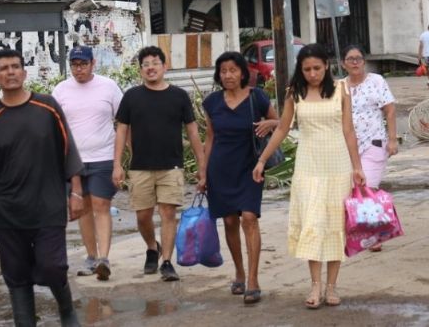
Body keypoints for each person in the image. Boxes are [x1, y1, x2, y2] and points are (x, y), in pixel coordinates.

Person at [0, 48, 85, 327]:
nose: (11, 72)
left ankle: (66, 310)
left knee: (52, 265)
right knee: (16, 272)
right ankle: (24, 320)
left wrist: (77, 192)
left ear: (24, 72)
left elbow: (68, 150)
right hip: (7, 209)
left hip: (48, 205)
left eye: (15, 66)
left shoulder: (47, 108)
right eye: (4, 68)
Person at [253, 44, 365, 309]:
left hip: (337, 165)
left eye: (317, 68)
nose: (312, 74)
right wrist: (262, 159)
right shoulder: (295, 93)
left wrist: (357, 167)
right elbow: (282, 128)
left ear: (326, 66)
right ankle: (315, 285)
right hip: (308, 166)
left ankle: (332, 286)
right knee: (313, 222)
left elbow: (349, 131)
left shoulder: (341, 90)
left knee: (335, 224)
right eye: (307, 69)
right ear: (300, 71)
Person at [112, 46, 206, 282]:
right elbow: (121, 130)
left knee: (168, 213)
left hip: (171, 166)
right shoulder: (132, 96)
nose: (151, 67)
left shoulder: (179, 96)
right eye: (146, 64)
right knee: (143, 217)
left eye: (155, 62)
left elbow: (193, 133)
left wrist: (202, 166)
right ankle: (152, 247)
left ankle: (166, 262)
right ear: (141, 70)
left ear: (165, 66)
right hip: (140, 167)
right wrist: (117, 164)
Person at [198, 51, 279, 305]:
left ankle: (253, 280)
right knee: (230, 221)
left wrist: (270, 124)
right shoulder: (211, 102)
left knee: (249, 218)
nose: (228, 75)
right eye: (223, 71)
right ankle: (239, 273)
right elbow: (210, 138)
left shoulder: (257, 96)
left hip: (250, 167)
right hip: (220, 168)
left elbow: (280, 121)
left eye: (233, 70)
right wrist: (203, 172)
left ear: (243, 72)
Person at [52, 46, 124, 281]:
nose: (78, 69)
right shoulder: (61, 90)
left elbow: (122, 122)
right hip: (73, 161)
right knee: (82, 208)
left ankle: (104, 258)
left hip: (103, 156)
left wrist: (120, 161)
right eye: (74, 65)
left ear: (93, 63)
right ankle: (92, 257)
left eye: (83, 64)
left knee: (102, 205)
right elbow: (54, 127)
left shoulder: (109, 87)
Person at [342, 45, 398, 252]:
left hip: (374, 141)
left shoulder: (376, 81)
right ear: (343, 64)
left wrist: (392, 139)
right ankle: (358, 230)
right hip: (348, 145)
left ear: (364, 62)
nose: (355, 62)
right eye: (350, 59)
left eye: (358, 58)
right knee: (352, 189)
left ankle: (375, 233)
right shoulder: (340, 86)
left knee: (368, 187)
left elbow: (390, 111)